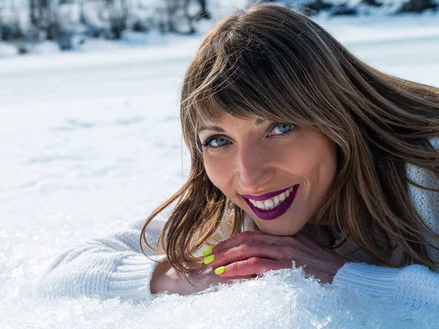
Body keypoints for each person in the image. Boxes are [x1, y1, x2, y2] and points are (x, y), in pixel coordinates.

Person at [38, 4, 439, 308]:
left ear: (337, 118)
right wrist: (179, 277)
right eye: (217, 140)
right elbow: (63, 275)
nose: (249, 177)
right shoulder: (228, 209)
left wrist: (343, 277)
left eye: (280, 127)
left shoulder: (427, 166)